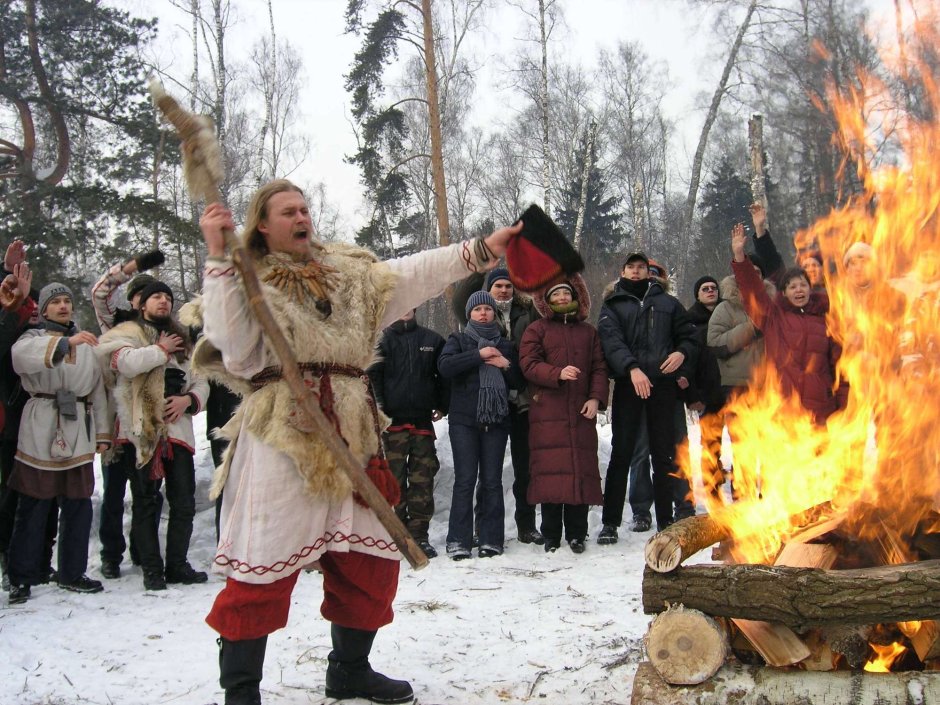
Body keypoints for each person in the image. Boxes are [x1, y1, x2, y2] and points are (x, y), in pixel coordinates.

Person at [195, 179, 522, 705]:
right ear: (262, 224)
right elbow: (232, 350)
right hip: (284, 432)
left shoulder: (349, 275)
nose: (302, 217)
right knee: (262, 566)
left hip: (353, 433)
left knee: (370, 560)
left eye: (305, 208)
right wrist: (218, 256)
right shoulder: (243, 276)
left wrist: (480, 251)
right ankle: (241, 692)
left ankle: (349, 670)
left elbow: (414, 272)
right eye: (287, 212)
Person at [97, 281, 209, 591]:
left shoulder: (183, 339)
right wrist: (160, 350)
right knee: (146, 501)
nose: (163, 301)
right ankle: (151, 569)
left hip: (177, 432)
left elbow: (200, 380)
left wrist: (188, 400)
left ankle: (177, 565)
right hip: (143, 430)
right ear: (141, 304)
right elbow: (126, 364)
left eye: (168, 297)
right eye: (156, 296)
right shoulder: (127, 333)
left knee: (183, 501)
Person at [6, 283, 111, 604]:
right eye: (56, 302)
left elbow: (98, 392)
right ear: (45, 308)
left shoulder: (89, 343)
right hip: (41, 422)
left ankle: (72, 572)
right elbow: (19, 359)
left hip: (78, 424)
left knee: (78, 505)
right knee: (34, 505)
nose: (63, 306)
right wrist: (65, 343)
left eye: (67, 301)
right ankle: (21, 578)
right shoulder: (32, 338)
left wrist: (103, 434)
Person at [596, 252, 697, 540]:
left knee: (663, 454)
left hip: (663, 387)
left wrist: (681, 353)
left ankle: (665, 520)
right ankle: (610, 523)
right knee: (622, 454)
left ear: (650, 272)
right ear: (623, 272)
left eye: (642, 267)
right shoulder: (613, 305)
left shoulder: (669, 304)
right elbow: (611, 341)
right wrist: (631, 369)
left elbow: (690, 336)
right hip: (629, 386)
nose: (637, 271)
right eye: (632, 267)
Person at [454, 268, 543, 545]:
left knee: (523, 466)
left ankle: (526, 524)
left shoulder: (528, 313)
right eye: (498, 286)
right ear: (487, 290)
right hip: (487, 403)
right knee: (485, 470)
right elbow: (459, 301)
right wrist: (477, 270)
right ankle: (482, 526)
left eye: (508, 286)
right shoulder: (477, 315)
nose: (503, 290)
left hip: (521, 398)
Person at [519, 277, 607, 553]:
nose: (560, 298)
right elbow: (529, 364)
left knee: (579, 470)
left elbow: (599, 368)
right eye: (555, 295)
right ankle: (552, 535)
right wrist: (557, 373)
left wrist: (595, 398)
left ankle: (577, 534)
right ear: (546, 301)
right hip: (548, 411)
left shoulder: (588, 332)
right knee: (550, 475)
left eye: (565, 294)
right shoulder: (537, 329)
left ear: (575, 297)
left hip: (581, 411)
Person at [91, 252, 166, 579]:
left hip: (150, 427)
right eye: (141, 293)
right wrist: (131, 268)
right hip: (119, 426)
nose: (145, 300)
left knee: (148, 495)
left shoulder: (166, 331)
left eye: (154, 294)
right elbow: (99, 295)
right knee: (113, 495)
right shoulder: (117, 324)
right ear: (135, 300)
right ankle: (111, 554)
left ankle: (142, 550)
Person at [730, 223, 846, 424]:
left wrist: (843, 408)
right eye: (792, 287)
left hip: (821, 410)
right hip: (784, 410)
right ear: (783, 293)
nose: (799, 290)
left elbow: (841, 367)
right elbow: (753, 292)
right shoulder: (773, 318)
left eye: (803, 285)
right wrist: (740, 257)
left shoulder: (826, 319)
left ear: (810, 290)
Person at [439, 291, 522, 560]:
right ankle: (458, 541)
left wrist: (504, 364)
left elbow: (519, 381)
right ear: (469, 315)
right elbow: (446, 366)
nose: (483, 313)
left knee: (492, 481)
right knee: (464, 480)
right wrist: (480, 355)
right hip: (464, 421)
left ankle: (491, 539)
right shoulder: (459, 340)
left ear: (494, 314)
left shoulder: (506, 345)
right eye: (478, 310)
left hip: (496, 422)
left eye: (487, 308)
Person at [369, 309, 447, 559]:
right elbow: (373, 379)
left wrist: (443, 404)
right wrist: (378, 411)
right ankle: (397, 534)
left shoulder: (432, 340)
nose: (405, 310)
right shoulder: (380, 341)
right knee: (394, 480)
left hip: (422, 423)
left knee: (422, 480)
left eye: (411, 306)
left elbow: (444, 376)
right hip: (392, 424)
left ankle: (420, 535)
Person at [685, 276, 725, 502]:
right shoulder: (690, 322)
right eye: (705, 289)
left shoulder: (728, 315)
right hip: (707, 393)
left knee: (742, 442)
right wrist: (693, 394)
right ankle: (712, 491)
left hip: (731, 389)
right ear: (697, 295)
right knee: (711, 445)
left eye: (713, 287)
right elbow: (688, 362)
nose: (710, 291)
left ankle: (742, 488)